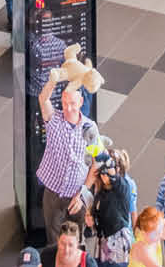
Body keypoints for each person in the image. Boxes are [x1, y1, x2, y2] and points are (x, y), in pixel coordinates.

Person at [35, 57, 99, 240]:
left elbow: (96, 165)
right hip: (53, 193)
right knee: (53, 239)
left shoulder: (91, 128)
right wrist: (53, 79)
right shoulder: (54, 120)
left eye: (72, 103)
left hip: (77, 195)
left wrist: (82, 195)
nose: (68, 108)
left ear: (80, 103)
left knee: (77, 241)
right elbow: (43, 98)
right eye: (64, 103)